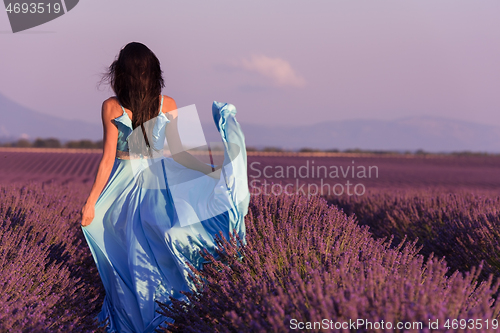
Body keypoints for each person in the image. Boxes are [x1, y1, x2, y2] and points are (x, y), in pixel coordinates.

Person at [80, 42, 250, 333]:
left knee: (128, 255)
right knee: (159, 250)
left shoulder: (111, 106)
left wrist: (91, 201)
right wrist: (210, 176)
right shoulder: (167, 103)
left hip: (124, 186)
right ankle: (168, 316)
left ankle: (134, 320)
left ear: (121, 73)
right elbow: (180, 154)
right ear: (152, 72)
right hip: (160, 181)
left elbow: (108, 158)